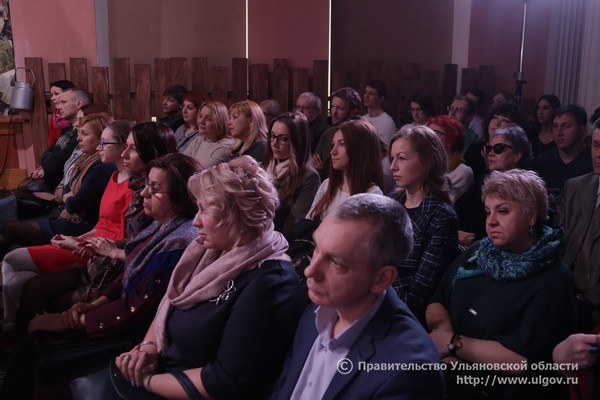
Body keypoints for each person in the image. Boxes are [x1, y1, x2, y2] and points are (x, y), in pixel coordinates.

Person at [99, 156, 306, 399]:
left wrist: (146, 381)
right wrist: (148, 347)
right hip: (166, 373)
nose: (195, 221)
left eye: (206, 210)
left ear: (239, 215)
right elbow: (170, 302)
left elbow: (224, 382)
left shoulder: (270, 285)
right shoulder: (207, 251)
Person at [0, 154, 201, 400]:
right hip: (116, 301)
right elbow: (130, 270)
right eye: (147, 185)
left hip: (133, 336)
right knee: (31, 302)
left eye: (154, 189)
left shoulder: (180, 241)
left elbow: (135, 309)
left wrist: (70, 321)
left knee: (35, 325)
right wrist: (96, 303)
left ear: (180, 198)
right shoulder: (161, 223)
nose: (143, 193)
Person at [271, 193, 445, 400]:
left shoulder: (409, 373)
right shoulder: (318, 310)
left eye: (336, 263)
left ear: (381, 279)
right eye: (317, 248)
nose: (310, 270)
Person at [427, 169, 580, 400]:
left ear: (531, 216)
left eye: (503, 211)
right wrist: (446, 341)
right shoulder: (477, 252)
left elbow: (524, 362)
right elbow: (438, 299)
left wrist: (453, 344)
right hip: (451, 377)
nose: (491, 221)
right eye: (488, 211)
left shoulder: (554, 279)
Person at [1, 120, 131, 325]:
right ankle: (17, 323)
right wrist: (77, 238)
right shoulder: (114, 175)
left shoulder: (128, 184)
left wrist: (79, 242)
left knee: (12, 257)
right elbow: (101, 223)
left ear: (124, 148)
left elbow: (119, 236)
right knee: (17, 274)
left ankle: (15, 324)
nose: (99, 147)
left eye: (104, 143)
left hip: (99, 252)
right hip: (89, 239)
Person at [0, 113, 116, 256]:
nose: (78, 138)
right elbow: (66, 187)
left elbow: (75, 205)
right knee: (15, 247)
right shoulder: (84, 160)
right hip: (69, 216)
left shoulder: (101, 166)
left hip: (82, 225)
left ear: (100, 139)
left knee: (11, 228)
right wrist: (69, 196)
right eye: (79, 133)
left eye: (84, 134)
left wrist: (68, 197)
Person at [388, 125, 459, 324]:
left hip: (403, 317)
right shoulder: (390, 201)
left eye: (401, 158)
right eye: (392, 158)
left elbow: (416, 298)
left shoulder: (442, 217)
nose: (392, 166)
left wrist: (375, 280)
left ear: (426, 161)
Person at [553, 118, 600, 326]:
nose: (598, 154)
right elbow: (556, 242)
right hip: (560, 293)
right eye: (596, 145)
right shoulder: (574, 187)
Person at [456, 125, 532, 246]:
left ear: (517, 155)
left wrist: (472, 238)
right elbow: (459, 209)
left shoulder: (526, 188)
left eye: (498, 148)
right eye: (489, 148)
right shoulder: (484, 178)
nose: (491, 153)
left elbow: (516, 234)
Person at [307, 118, 383, 221]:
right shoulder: (327, 185)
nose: (333, 151)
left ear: (360, 150)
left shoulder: (373, 195)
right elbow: (309, 223)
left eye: (342, 144)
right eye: (333, 144)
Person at [263, 112, 320, 237]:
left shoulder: (309, 177)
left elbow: (295, 223)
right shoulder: (266, 165)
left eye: (283, 139)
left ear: (298, 141)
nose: (274, 143)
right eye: (272, 136)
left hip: (279, 240)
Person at [536, 104, 592, 202]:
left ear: (581, 130)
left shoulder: (593, 162)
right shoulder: (543, 160)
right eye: (555, 126)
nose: (559, 133)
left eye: (565, 126)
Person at [313, 87, 361, 179]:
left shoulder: (362, 133)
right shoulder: (328, 133)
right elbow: (316, 162)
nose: (334, 112)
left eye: (340, 108)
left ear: (353, 111)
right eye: (333, 107)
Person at [428, 115, 474, 202]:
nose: (428, 137)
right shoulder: (423, 164)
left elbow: (441, 201)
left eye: (435, 133)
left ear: (450, 141)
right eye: (427, 132)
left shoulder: (463, 172)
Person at [184, 101, 234, 168]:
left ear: (219, 122)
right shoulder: (199, 140)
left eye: (208, 119)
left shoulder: (226, 146)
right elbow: (180, 163)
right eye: (200, 116)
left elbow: (201, 171)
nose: (202, 122)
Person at [363, 80, 397, 147]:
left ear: (381, 98)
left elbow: (385, 149)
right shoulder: (363, 119)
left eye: (371, 93)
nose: (366, 96)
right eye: (365, 92)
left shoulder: (387, 122)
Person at [46, 80, 76, 147]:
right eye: (52, 95)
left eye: (56, 94)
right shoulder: (55, 118)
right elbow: (51, 141)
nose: (52, 98)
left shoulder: (77, 115)